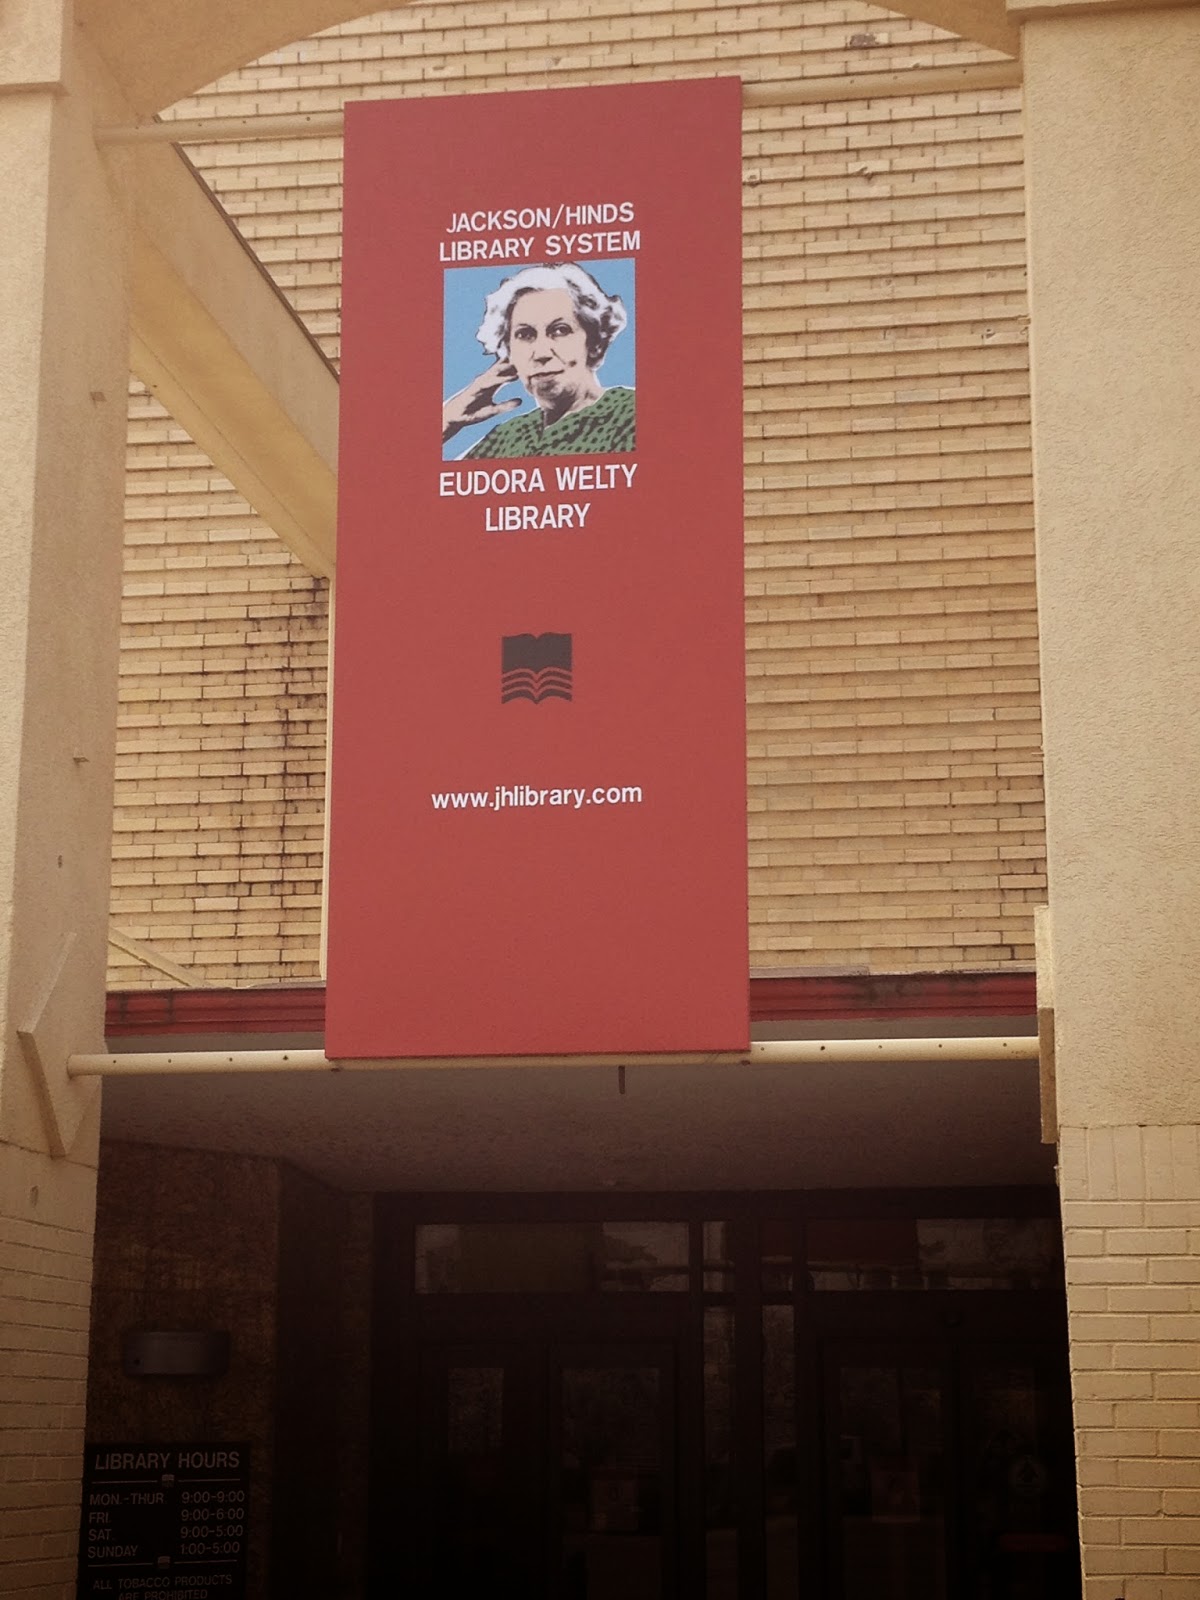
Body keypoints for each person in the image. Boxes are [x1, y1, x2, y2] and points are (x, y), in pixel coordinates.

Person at [442, 263, 635, 458]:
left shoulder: (630, 414)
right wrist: (449, 420)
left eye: (560, 330)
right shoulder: (508, 437)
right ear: (509, 352)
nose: (541, 353)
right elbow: (422, 481)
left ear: (594, 343)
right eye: (525, 334)